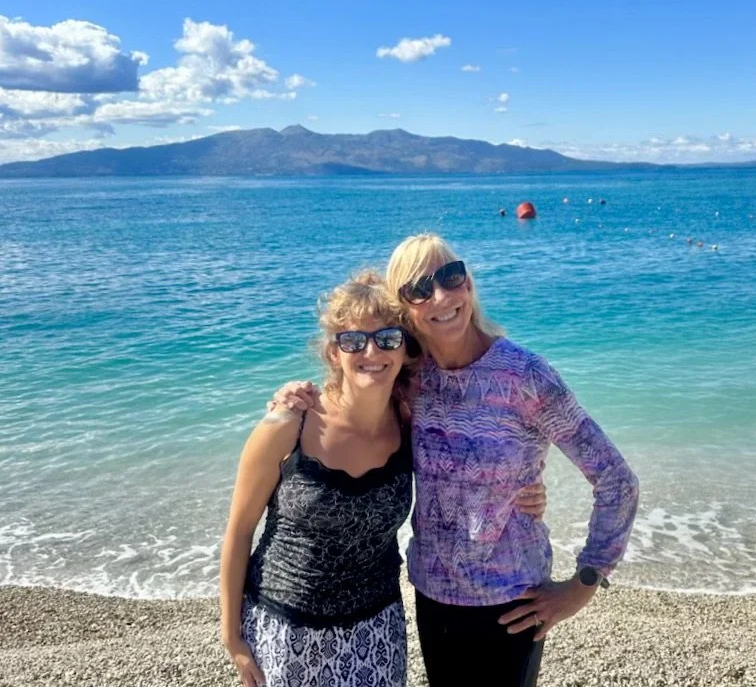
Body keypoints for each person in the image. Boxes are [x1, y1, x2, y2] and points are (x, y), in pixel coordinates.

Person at [272, 234, 640, 687]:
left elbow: (616, 480)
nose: (442, 296)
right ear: (405, 310)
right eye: (420, 289)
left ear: (468, 285)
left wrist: (583, 583)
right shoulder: (411, 379)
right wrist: (297, 398)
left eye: (451, 277)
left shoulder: (524, 376)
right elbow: (354, 400)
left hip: (512, 601)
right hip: (432, 595)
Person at [220, 271, 546, 687]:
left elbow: (469, 467)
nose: (371, 351)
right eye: (353, 340)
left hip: (376, 631)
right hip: (286, 630)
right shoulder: (290, 424)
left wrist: (522, 491)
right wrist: (232, 637)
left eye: (387, 338)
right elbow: (239, 531)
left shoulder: (410, 421)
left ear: (405, 349)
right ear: (334, 352)